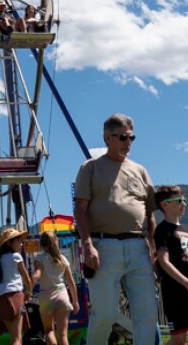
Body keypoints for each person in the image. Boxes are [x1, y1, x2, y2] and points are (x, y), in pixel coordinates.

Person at [74, 113, 159, 345]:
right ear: (107, 138)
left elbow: (149, 213)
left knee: (147, 316)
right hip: (104, 247)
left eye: (132, 138)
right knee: (105, 315)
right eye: (122, 137)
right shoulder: (90, 168)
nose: (127, 143)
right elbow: (80, 209)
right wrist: (88, 245)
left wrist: (154, 248)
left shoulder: (141, 171)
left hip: (138, 248)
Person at [152, 186, 188, 345]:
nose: (184, 203)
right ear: (165, 205)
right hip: (175, 290)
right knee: (179, 339)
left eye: (185, 200)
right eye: (179, 200)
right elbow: (164, 261)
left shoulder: (187, 230)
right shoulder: (162, 230)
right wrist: (187, 284)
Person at [0, 227, 32, 345]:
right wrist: (28, 293)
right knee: (17, 339)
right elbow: (27, 278)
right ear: (9, 243)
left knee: (13, 337)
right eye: (18, 241)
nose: (21, 244)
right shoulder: (16, 257)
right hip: (15, 298)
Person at [32, 231, 79, 345]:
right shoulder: (62, 259)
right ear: (56, 242)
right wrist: (75, 301)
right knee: (63, 334)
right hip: (62, 296)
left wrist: (28, 289)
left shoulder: (39, 258)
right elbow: (71, 282)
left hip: (46, 298)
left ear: (42, 244)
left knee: (49, 331)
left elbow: (37, 275)